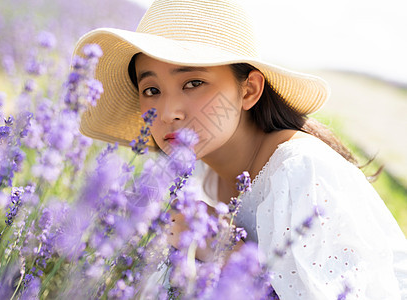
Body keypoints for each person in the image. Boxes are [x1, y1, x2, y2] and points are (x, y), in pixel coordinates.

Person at [73, 0, 407, 298]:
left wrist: (224, 248)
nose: (168, 111)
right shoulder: (200, 176)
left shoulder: (302, 172)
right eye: (151, 89)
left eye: (193, 83)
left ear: (248, 91)